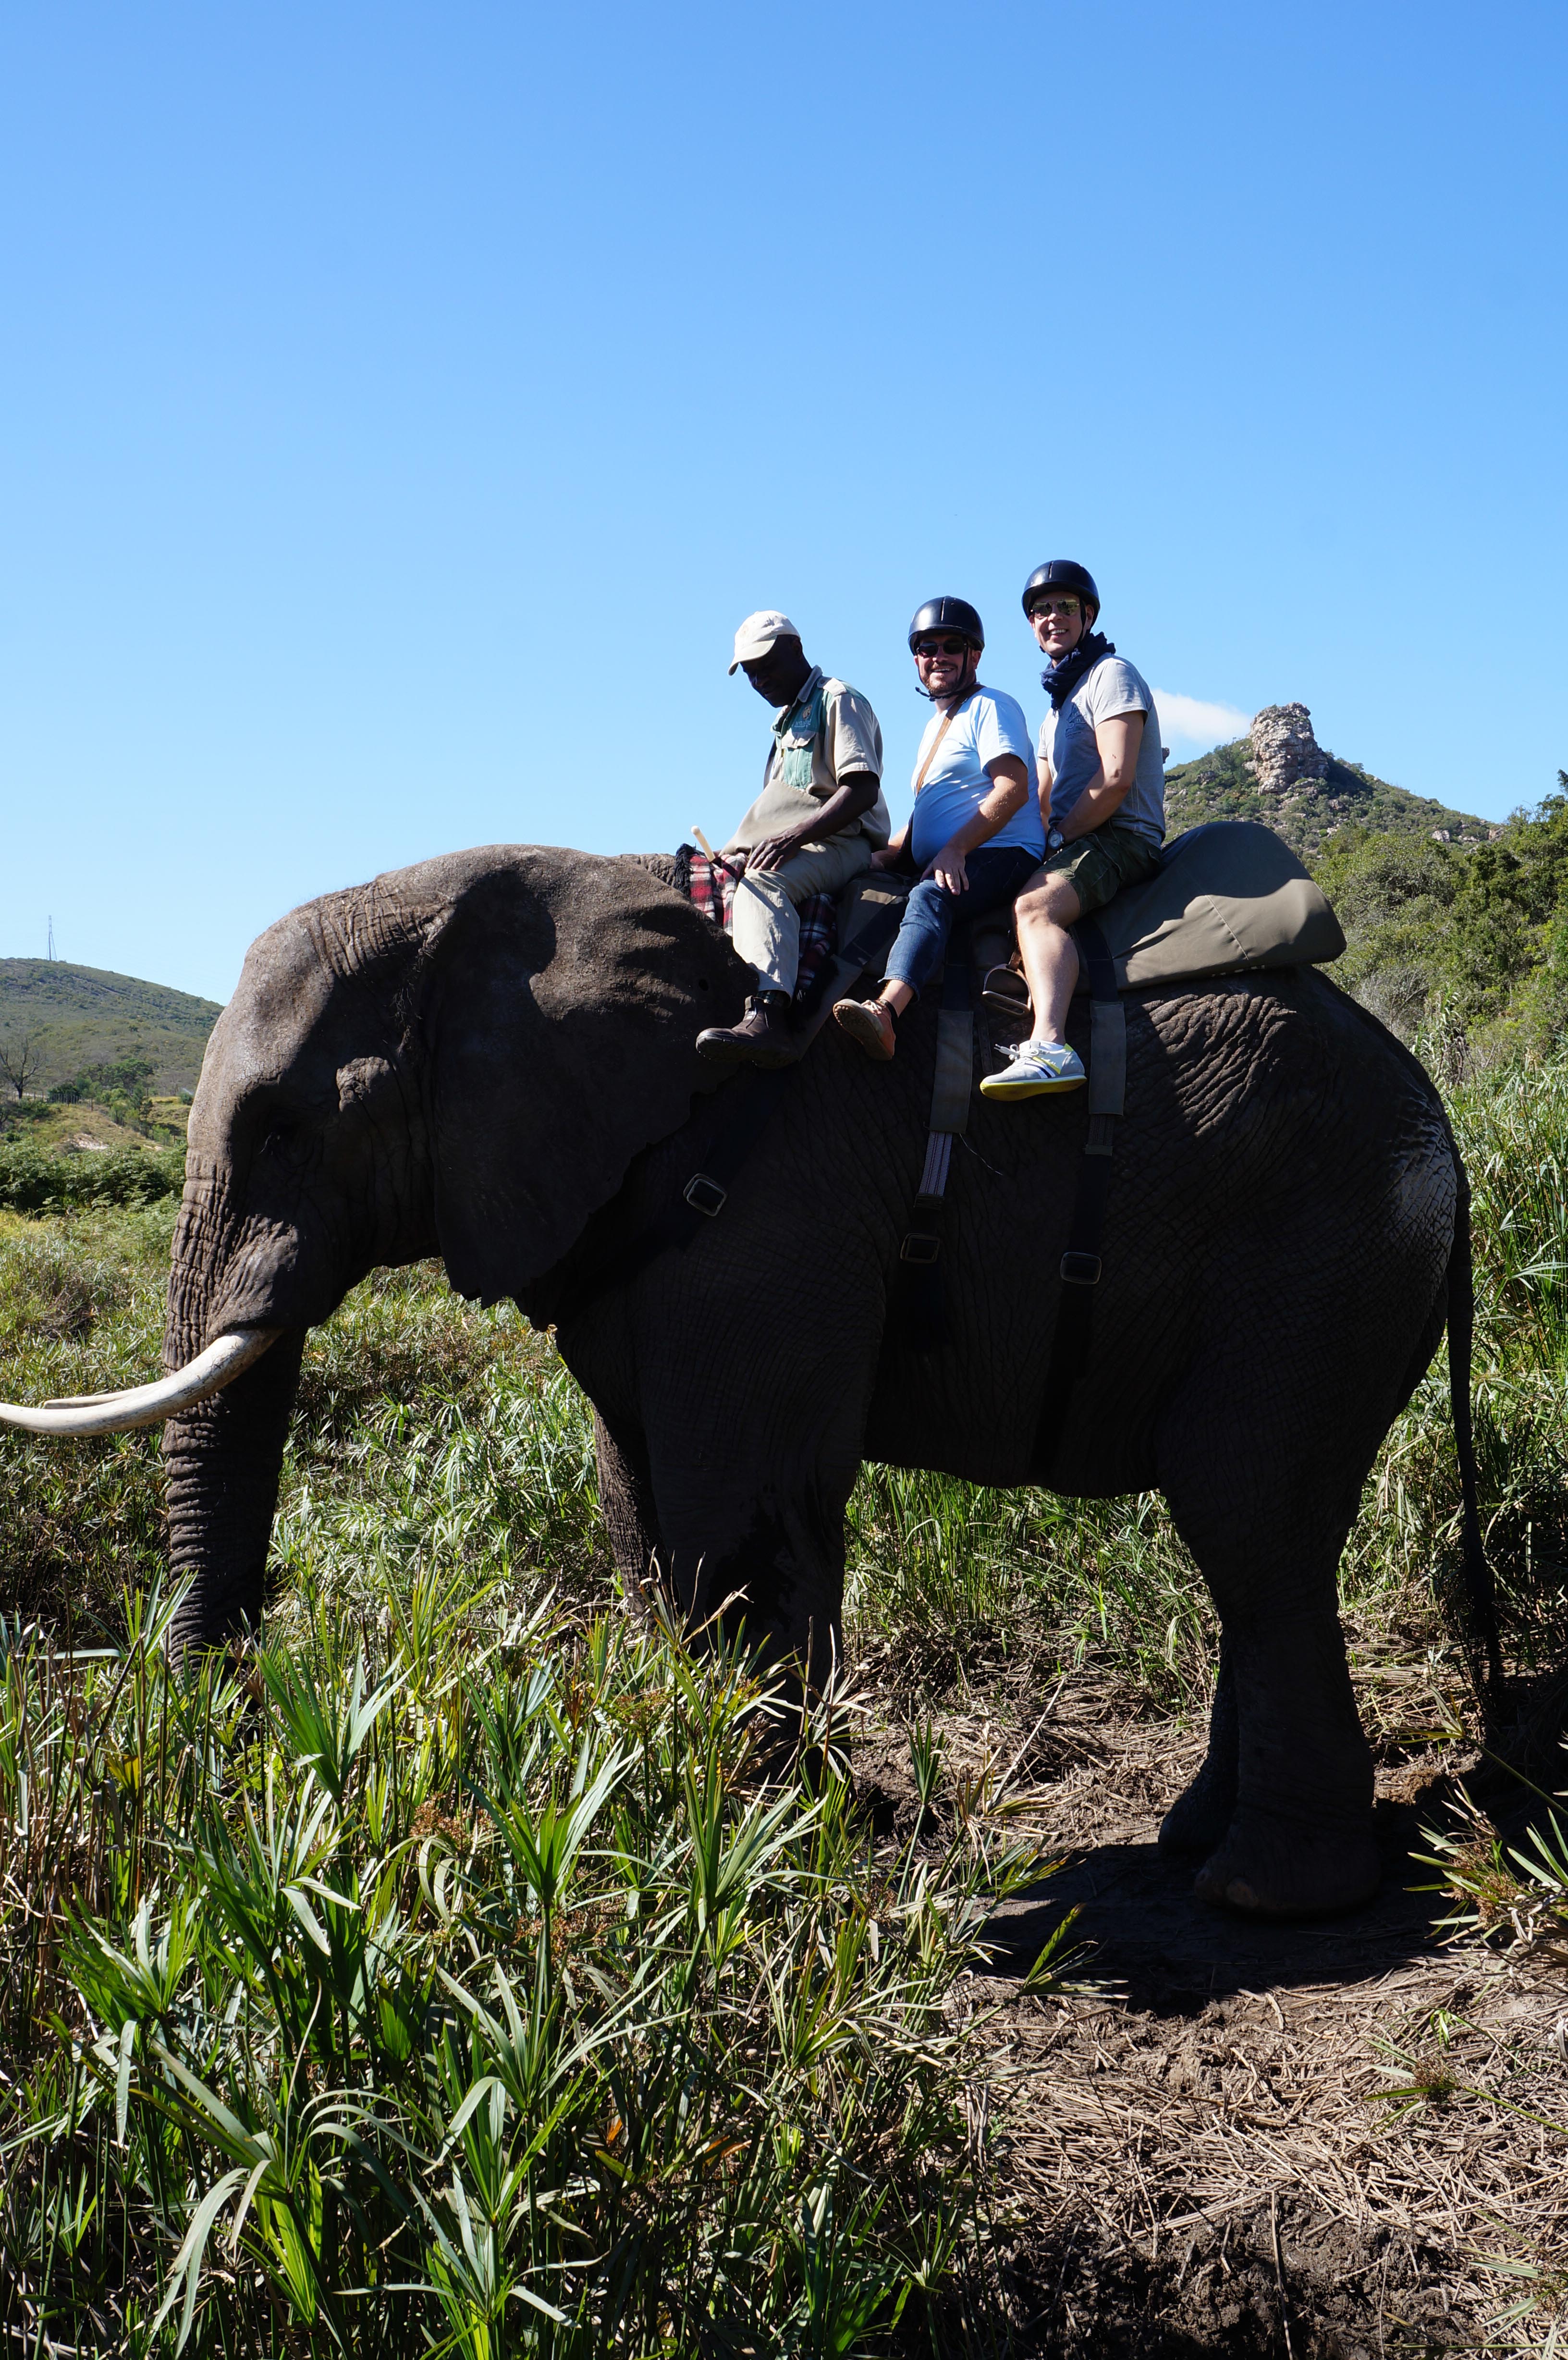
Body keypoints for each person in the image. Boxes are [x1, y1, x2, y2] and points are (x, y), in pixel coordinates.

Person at [979, 561, 1166, 1100]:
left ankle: (1052, 1047)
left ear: (1088, 616)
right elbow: (1039, 802)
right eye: (1041, 611)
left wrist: (1059, 839)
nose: (1052, 618)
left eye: (1064, 607)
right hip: (1077, 838)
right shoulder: (1054, 712)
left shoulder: (1112, 675)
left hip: (1121, 836)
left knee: (1035, 907)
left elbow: (1115, 779)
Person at [832, 598, 1041, 1061]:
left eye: (952, 646)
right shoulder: (934, 727)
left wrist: (955, 849)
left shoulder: (992, 706)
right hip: (952, 852)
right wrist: (878, 856)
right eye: (928, 648)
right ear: (917, 659)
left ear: (975, 655)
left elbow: (1012, 788)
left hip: (1004, 851)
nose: (938, 656)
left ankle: (887, 1011)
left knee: (931, 895)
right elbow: (926, 816)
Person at [695, 611, 889, 1067]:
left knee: (763, 883)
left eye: (767, 666)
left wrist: (790, 839)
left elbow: (862, 789)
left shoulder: (837, 699)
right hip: (808, 843)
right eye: (750, 673)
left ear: (797, 649)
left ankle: (769, 1013)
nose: (760, 680)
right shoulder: (786, 722)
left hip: (843, 843)